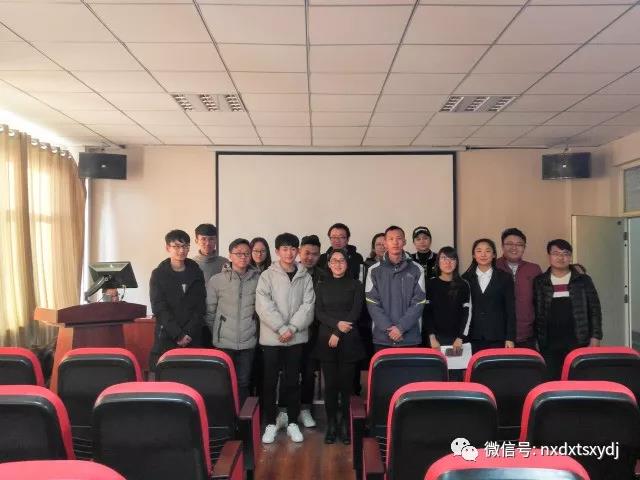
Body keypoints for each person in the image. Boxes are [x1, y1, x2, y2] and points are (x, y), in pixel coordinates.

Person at [256, 233, 315, 444]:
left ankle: (292, 422)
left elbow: (308, 306)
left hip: (295, 338)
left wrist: (292, 328)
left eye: (292, 249)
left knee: (292, 381)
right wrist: (281, 328)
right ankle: (270, 423)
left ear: (297, 251)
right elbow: (263, 305)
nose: (289, 253)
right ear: (277, 251)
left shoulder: (305, 276)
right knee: (270, 381)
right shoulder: (267, 275)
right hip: (272, 338)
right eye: (284, 249)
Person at [313, 249, 364, 444]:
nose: (338, 264)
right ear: (328, 264)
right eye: (334, 260)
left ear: (347, 263)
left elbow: (355, 312)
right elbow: (319, 312)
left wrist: (338, 332)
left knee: (346, 387)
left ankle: (345, 425)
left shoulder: (356, 285)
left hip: (348, 340)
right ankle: (332, 424)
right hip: (326, 341)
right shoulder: (321, 285)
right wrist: (336, 326)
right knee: (330, 387)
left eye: (341, 260)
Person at [534, 239, 602, 380]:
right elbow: (536, 311)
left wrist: (595, 338)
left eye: (565, 254)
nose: (561, 257)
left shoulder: (583, 280)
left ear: (570, 257)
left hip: (579, 340)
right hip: (549, 343)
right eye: (556, 253)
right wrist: (536, 340)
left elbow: (595, 309)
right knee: (552, 380)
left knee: (579, 380)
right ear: (549, 256)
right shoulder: (540, 281)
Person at [277, 235, 325, 429]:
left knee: (308, 372)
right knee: (288, 373)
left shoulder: (324, 276)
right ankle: (283, 411)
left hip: (313, 333)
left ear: (319, 255)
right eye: (306, 253)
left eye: (315, 254)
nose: (310, 257)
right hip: (289, 332)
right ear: (299, 252)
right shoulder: (288, 272)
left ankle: (305, 410)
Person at [206, 238, 259, 405]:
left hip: (248, 342)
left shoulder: (258, 279)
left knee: (244, 383)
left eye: (247, 254)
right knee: (224, 382)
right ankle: (226, 417)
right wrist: (218, 330)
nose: (243, 257)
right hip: (224, 343)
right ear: (230, 256)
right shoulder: (217, 280)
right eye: (238, 253)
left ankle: (242, 418)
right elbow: (210, 312)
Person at [149, 229, 206, 370]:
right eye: (177, 246)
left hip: (192, 335)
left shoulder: (196, 271)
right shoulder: (159, 274)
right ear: (168, 248)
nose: (181, 250)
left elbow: (200, 305)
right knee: (168, 375)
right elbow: (159, 307)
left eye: (185, 246)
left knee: (192, 375)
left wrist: (188, 333)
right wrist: (178, 334)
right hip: (168, 335)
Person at [365, 226, 426, 351]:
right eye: (391, 239)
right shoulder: (374, 270)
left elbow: (419, 301)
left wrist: (401, 328)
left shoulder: (417, 269)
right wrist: (389, 329)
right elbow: (372, 302)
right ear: (385, 243)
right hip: (383, 338)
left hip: (409, 338)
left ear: (404, 242)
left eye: (399, 238)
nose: (395, 242)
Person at [462, 238, 516, 354]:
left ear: (494, 255)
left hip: (497, 336)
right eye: (479, 251)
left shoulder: (505, 278)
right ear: (474, 255)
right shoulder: (465, 279)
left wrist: (510, 337)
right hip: (472, 337)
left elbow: (510, 309)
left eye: (487, 251)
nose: (483, 255)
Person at [424, 246, 471, 381]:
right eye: (444, 258)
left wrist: (460, 338)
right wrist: (432, 337)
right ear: (438, 261)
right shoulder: (430, 284)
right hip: (436, 340)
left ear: (456, 262)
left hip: (457, 341)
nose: (448, 262)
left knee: (456, 378)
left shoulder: (463, 284)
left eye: (452, 259)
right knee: (436, 377)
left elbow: (467, 313)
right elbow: (427, 313)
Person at [496, 228, 542, 349]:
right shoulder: (493, 267)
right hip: (497, 336)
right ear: (502, 246)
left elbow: (541, 302)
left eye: (519, 244)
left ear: (524, 247)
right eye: (509, 244)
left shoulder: (534, 269)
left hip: (527, 336)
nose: (514, 248)